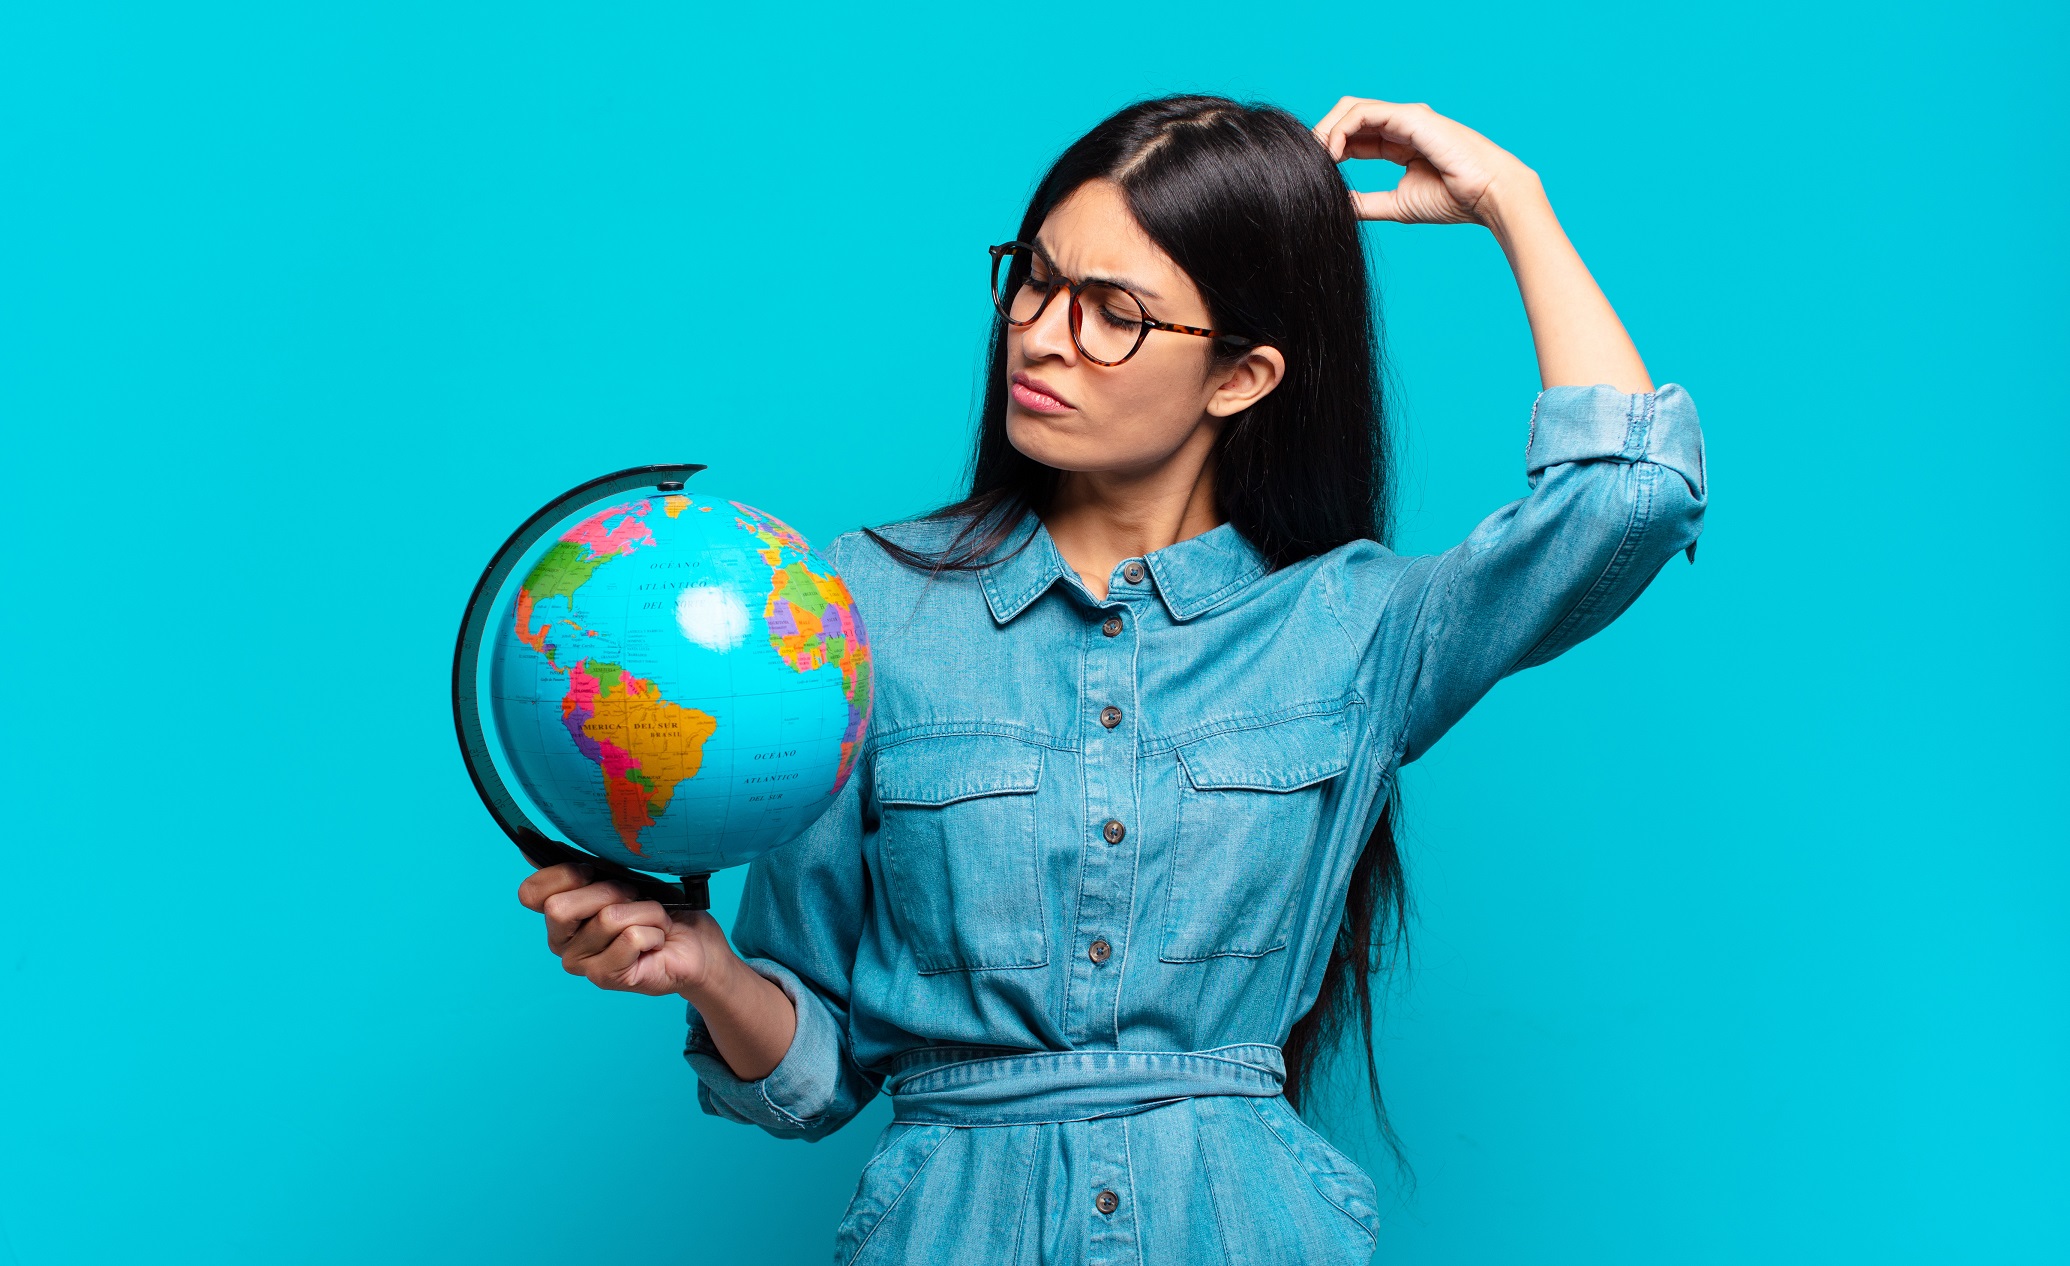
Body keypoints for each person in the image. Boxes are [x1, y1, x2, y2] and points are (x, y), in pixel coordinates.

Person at [518, 93, 1706, 1264]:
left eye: (1113, 313)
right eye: (1035, 280)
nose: (1040, 333)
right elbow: (814, 1073)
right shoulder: (855, 607)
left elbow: (1630, 499)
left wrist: (1514, 201)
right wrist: (708, 971)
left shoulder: (1352, 623)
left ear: (1240, 378)